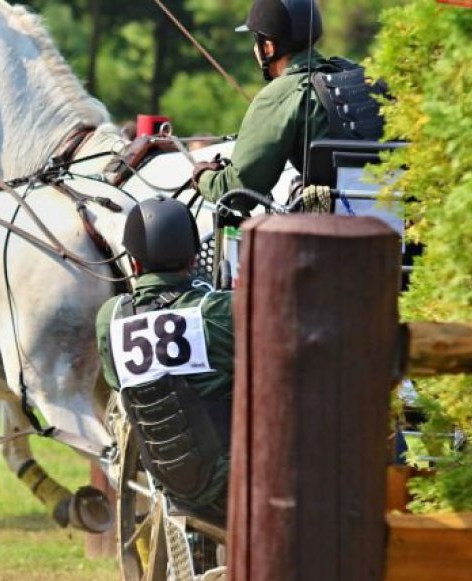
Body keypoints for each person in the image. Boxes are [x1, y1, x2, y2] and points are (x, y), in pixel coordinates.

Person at [95, 197, 234, 524]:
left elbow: (121, 384)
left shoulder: (110, 318)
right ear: (193, 258)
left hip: (169, 481)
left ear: (135, 263)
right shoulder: (217, 310)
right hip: (234, 479)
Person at [194, 0, 332, 210]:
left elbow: (239, 193)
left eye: (256, 41)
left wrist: (202, 176)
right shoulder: (354, 75)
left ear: (268, 47)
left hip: (333, 232)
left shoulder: (280, 94)